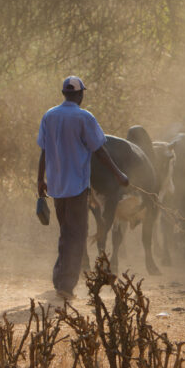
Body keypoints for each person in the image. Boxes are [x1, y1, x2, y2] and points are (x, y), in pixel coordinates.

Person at [36, 76, 128, 301]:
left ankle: (59, 279)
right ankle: (66, 285)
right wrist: (118, 174)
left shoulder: (50, 115)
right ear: (80, 94)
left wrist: (40, 180)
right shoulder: (84, 117)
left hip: (56, 186)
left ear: (64, 93)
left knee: (66, 232)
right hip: (76, 187)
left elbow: (44, 151)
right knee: (77, 235)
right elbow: (100, 150)